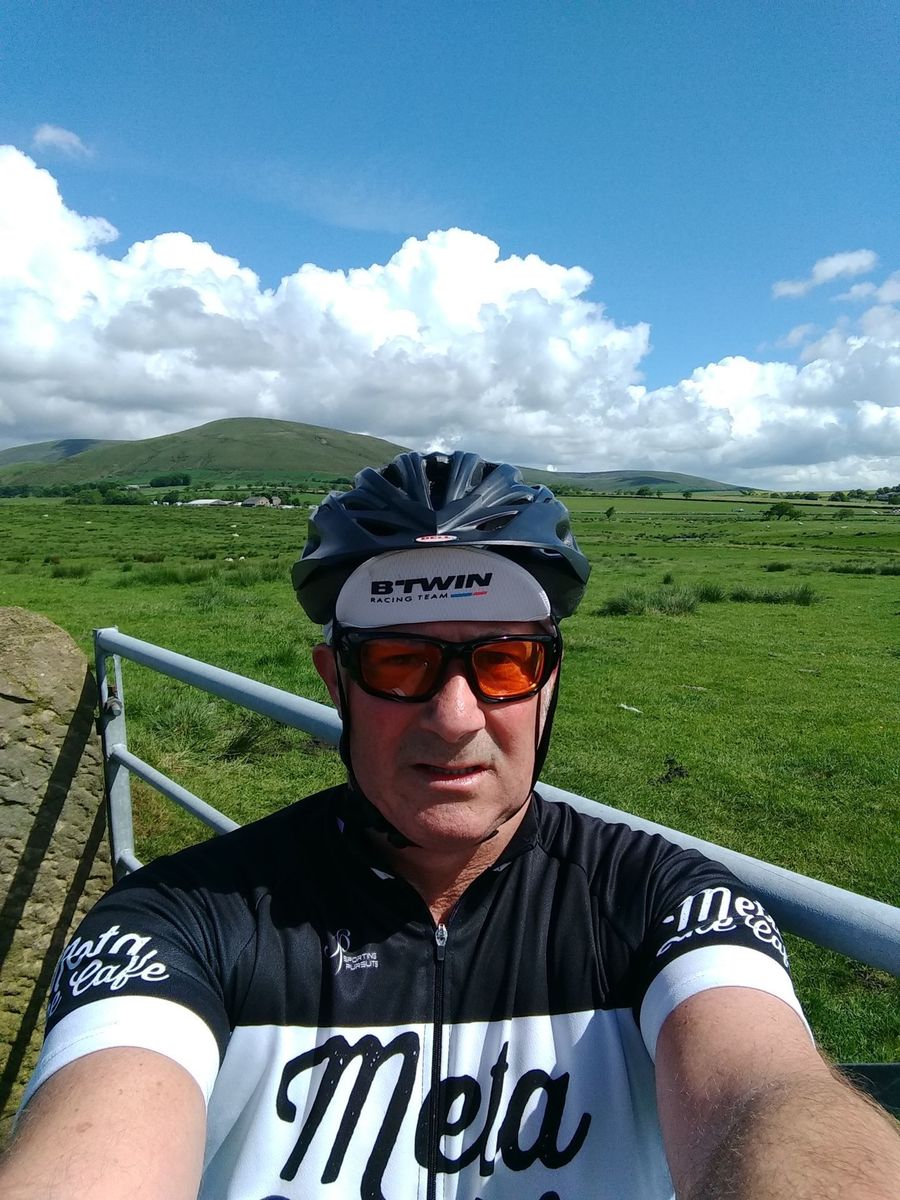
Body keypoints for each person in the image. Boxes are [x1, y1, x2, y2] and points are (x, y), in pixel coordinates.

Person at [1, 451, 897, 1200]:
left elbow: (769, 1095)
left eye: (504, 663)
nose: (456, 717)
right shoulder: (181, 921)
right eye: (400, 663)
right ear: (334, 681)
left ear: (549, 680)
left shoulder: (662, 903)